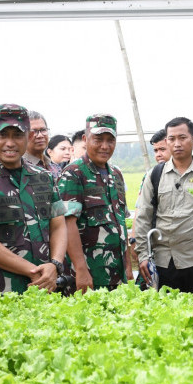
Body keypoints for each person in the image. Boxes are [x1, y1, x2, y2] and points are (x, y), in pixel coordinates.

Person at [0, 104, 67, 295]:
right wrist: (34, 271)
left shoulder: (45, 177)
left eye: (17, 135)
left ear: (29, 137)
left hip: (47, 286)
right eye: (2, 135)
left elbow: (58, 225)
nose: (10, 143)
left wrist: (55, 264)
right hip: (1, 292)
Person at [134, 116, 193, 298]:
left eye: (182, 138)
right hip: (163, 263)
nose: (177, 144)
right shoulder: (155, 175)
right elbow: (143, 217)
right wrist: (143, 255)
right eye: (172, 139)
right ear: (167, 141)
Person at [59, 114, 132, 292]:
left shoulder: (116, 174)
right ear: (86, 139)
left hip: (118, 275)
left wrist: (128, 266)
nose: (105, 146)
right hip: (90, 276)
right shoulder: (74, 173)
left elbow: (121, 224)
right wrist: (81, 270)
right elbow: (67, 224)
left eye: (110, 140)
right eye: (98, 139)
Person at [24, 110, 62, 178]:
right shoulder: (20, 168)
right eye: (34, 131)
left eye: (43, 130)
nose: (40, 135)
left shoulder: (55, 167)